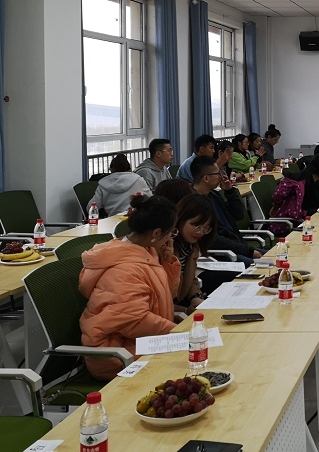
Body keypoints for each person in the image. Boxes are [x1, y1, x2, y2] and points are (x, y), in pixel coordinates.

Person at [79, 195, 181, 380]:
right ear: (156, 233)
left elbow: (166, 296)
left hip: (140, 341)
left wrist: (167, 262)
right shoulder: (124, 268)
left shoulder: (144, 251)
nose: (170, 238)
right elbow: (134, 320)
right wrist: (179, 333)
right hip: (116, 355)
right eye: (171, 233)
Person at [190, 155, 261, 265]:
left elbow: (239, 215)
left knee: (273, 256)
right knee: (261, 264)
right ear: (206, 178)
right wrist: (247, 251)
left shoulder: (214, 195)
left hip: (236, 246)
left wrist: (229, 191)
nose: (222, 176)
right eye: (218, 173)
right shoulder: (194, 204)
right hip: (222, 253)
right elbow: (213, 239)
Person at [171, 194, 218, 315]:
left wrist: (195, 296)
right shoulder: (166, 248)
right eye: (196, 226)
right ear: (180, 218)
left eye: (206, 228)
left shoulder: (191, 246)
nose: (200, 232)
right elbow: (159, 301)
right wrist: (185, 311)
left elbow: (190, 278)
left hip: (182, 305)